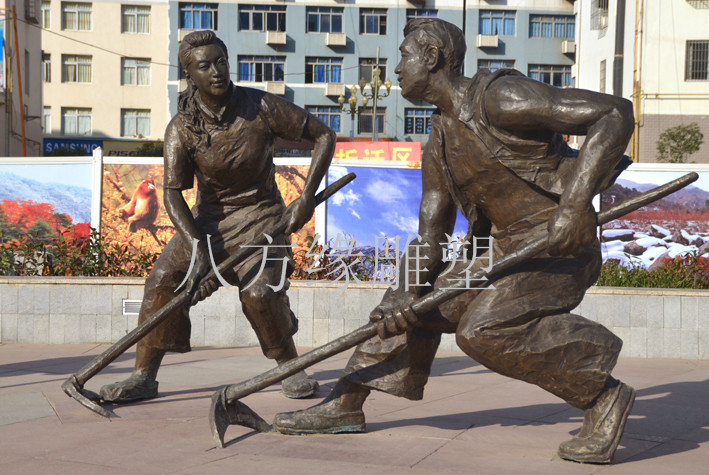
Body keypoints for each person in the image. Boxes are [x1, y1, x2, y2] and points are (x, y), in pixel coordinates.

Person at [273, 18, 635, 464]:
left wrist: (575, 205)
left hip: (557, 248)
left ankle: (603, 395)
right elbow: (430, 237)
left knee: (481, 332)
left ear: (431, 57)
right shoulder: (440, 141)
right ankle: (347, 402)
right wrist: (401, 297)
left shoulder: (501, 97)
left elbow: (615, 113)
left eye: (404, 57)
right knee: (418, 303)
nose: (397, 69)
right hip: (503, 251)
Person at [100, 30, 335, 402]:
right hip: (208, 222)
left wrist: (305, 198)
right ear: (189, 75)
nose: (216, 71)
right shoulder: (181, 128)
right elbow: (172, 193)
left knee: (259, 293)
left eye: (221, 61)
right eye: (204, 66)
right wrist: (198, 250)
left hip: (263, 217)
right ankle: (143, 375)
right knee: (162, 281)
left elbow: (324, 135)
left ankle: (290, 366)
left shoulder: (261, 107)